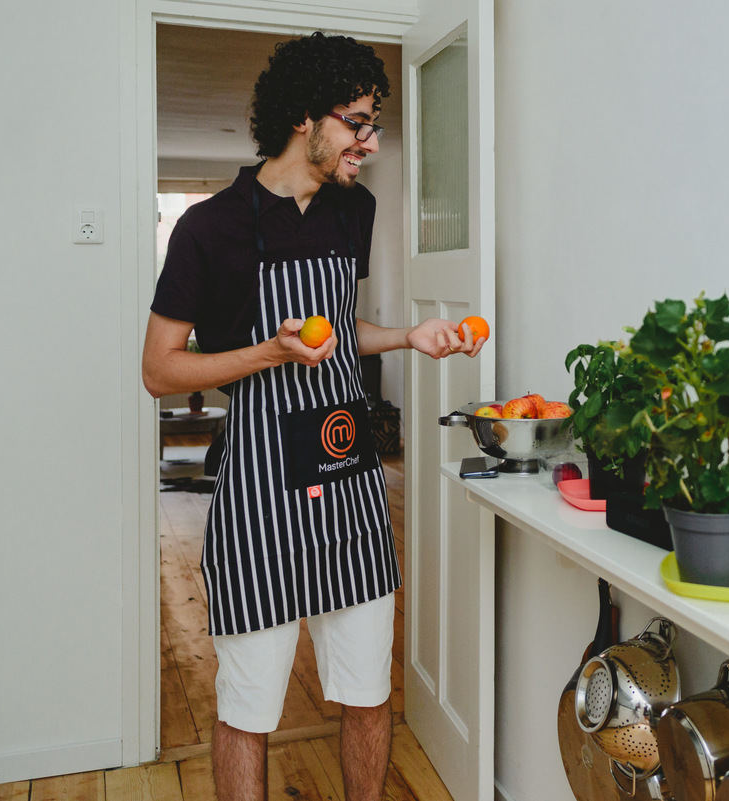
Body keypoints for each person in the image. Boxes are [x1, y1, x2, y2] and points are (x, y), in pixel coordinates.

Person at [142, 32, 484, 801]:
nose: (369, 141)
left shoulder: (351, 211)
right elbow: (158, 369)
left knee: (367, 691)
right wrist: (268, 351)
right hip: (259, 492)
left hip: (349, 476)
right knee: (247, 705)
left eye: (374, 124)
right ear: (305, 118)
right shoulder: (208, 227)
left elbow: (337, 324)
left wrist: (407, 335)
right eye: (357, 122)